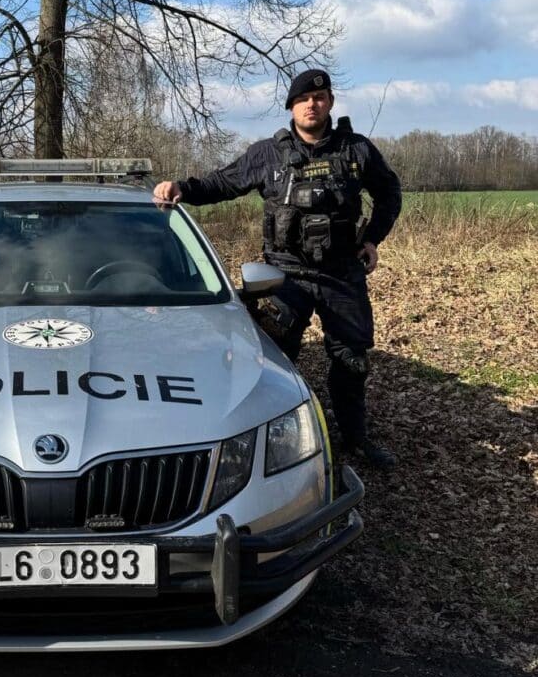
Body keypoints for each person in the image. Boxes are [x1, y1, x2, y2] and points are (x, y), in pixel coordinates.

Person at [153, 69, 402, 468]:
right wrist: (181, 188)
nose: (312, 104)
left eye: (320, 98)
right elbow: (223, 183)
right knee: (270, 360)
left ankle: (355, 440)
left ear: (330, 104)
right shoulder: (268, 154)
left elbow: (389, 193)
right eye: (304, 99)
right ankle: (270, 446)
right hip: (284, 276)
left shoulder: (357, 150)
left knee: (351, 361)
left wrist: (373, 239)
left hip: (342, 273)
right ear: (291, 106)